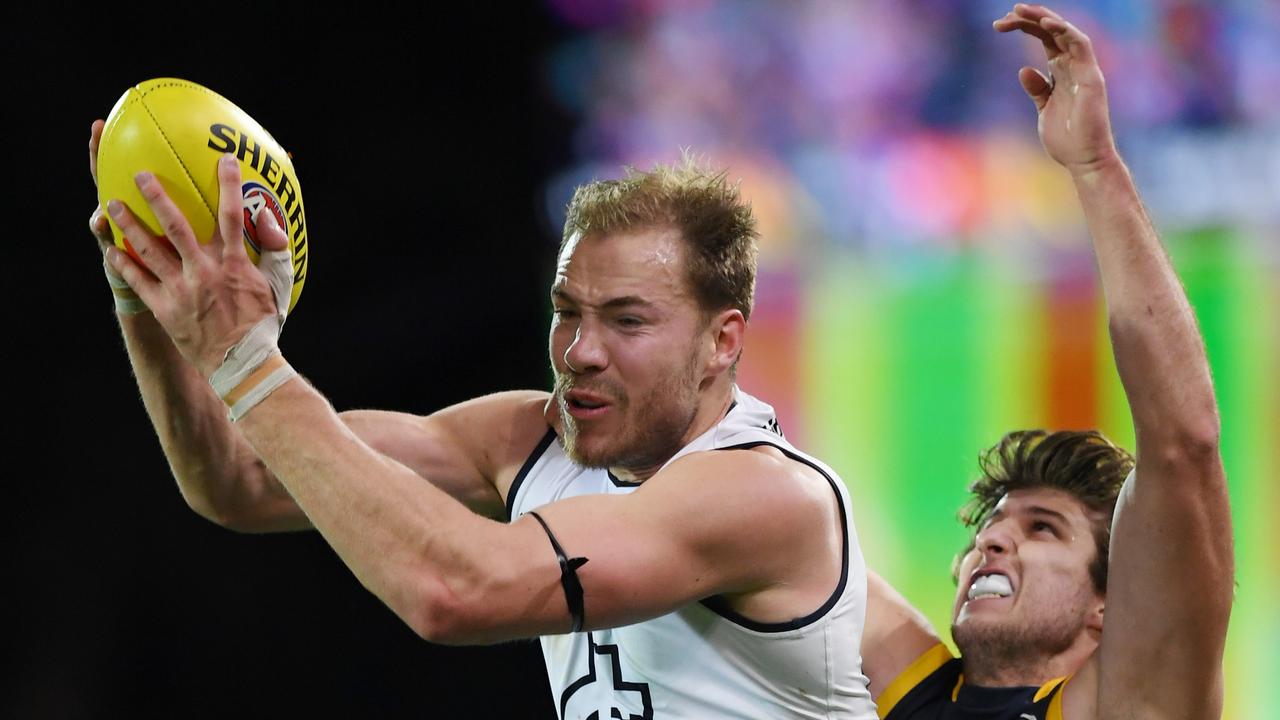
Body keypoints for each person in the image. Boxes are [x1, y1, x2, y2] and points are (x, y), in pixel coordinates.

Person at [86, 125, 877, 714]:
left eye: (628, 321)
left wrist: (251, 362)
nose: (580, 351)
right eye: (567, 311)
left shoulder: (764, 495)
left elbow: (454, 590)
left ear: (723, 339)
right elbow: (241, 480)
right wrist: (146, 291)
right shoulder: (529, 437)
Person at [858, 5, 1234, 719]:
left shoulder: (1125, 703)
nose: (992, 540)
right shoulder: (911, 691)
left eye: (1042, 529)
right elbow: (787, 534)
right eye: (991, 529)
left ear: (1107, 606)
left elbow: (1183, 441)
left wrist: (1095, 167)